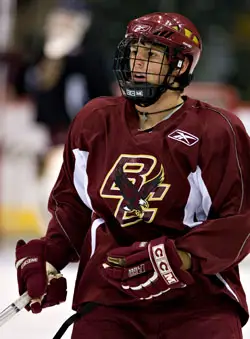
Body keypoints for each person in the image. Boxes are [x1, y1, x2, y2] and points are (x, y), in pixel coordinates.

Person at [14, 12, 250, 339]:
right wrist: (49, 257)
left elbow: (240, 220)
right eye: (135, 51)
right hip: (109, 296)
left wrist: (178, 258)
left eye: (151, 55)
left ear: (180, 66)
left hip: (197, 299)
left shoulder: (216, 130)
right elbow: (74, 206)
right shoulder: (95, 121)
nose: (138, 62)